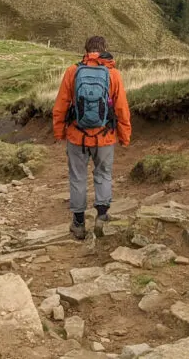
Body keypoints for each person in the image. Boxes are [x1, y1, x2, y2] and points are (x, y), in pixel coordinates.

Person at [52, 35, 132, 241]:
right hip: (105, 136)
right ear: (104, 49)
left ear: (86, 50)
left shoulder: (72, 71)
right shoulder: (113, 74)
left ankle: (78, 223)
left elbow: (60, 105)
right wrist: (124, 136)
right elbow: (122, 109)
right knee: (103, 174)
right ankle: (102, 217)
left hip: (76, 135)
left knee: (77, 177)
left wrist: (60, 132)